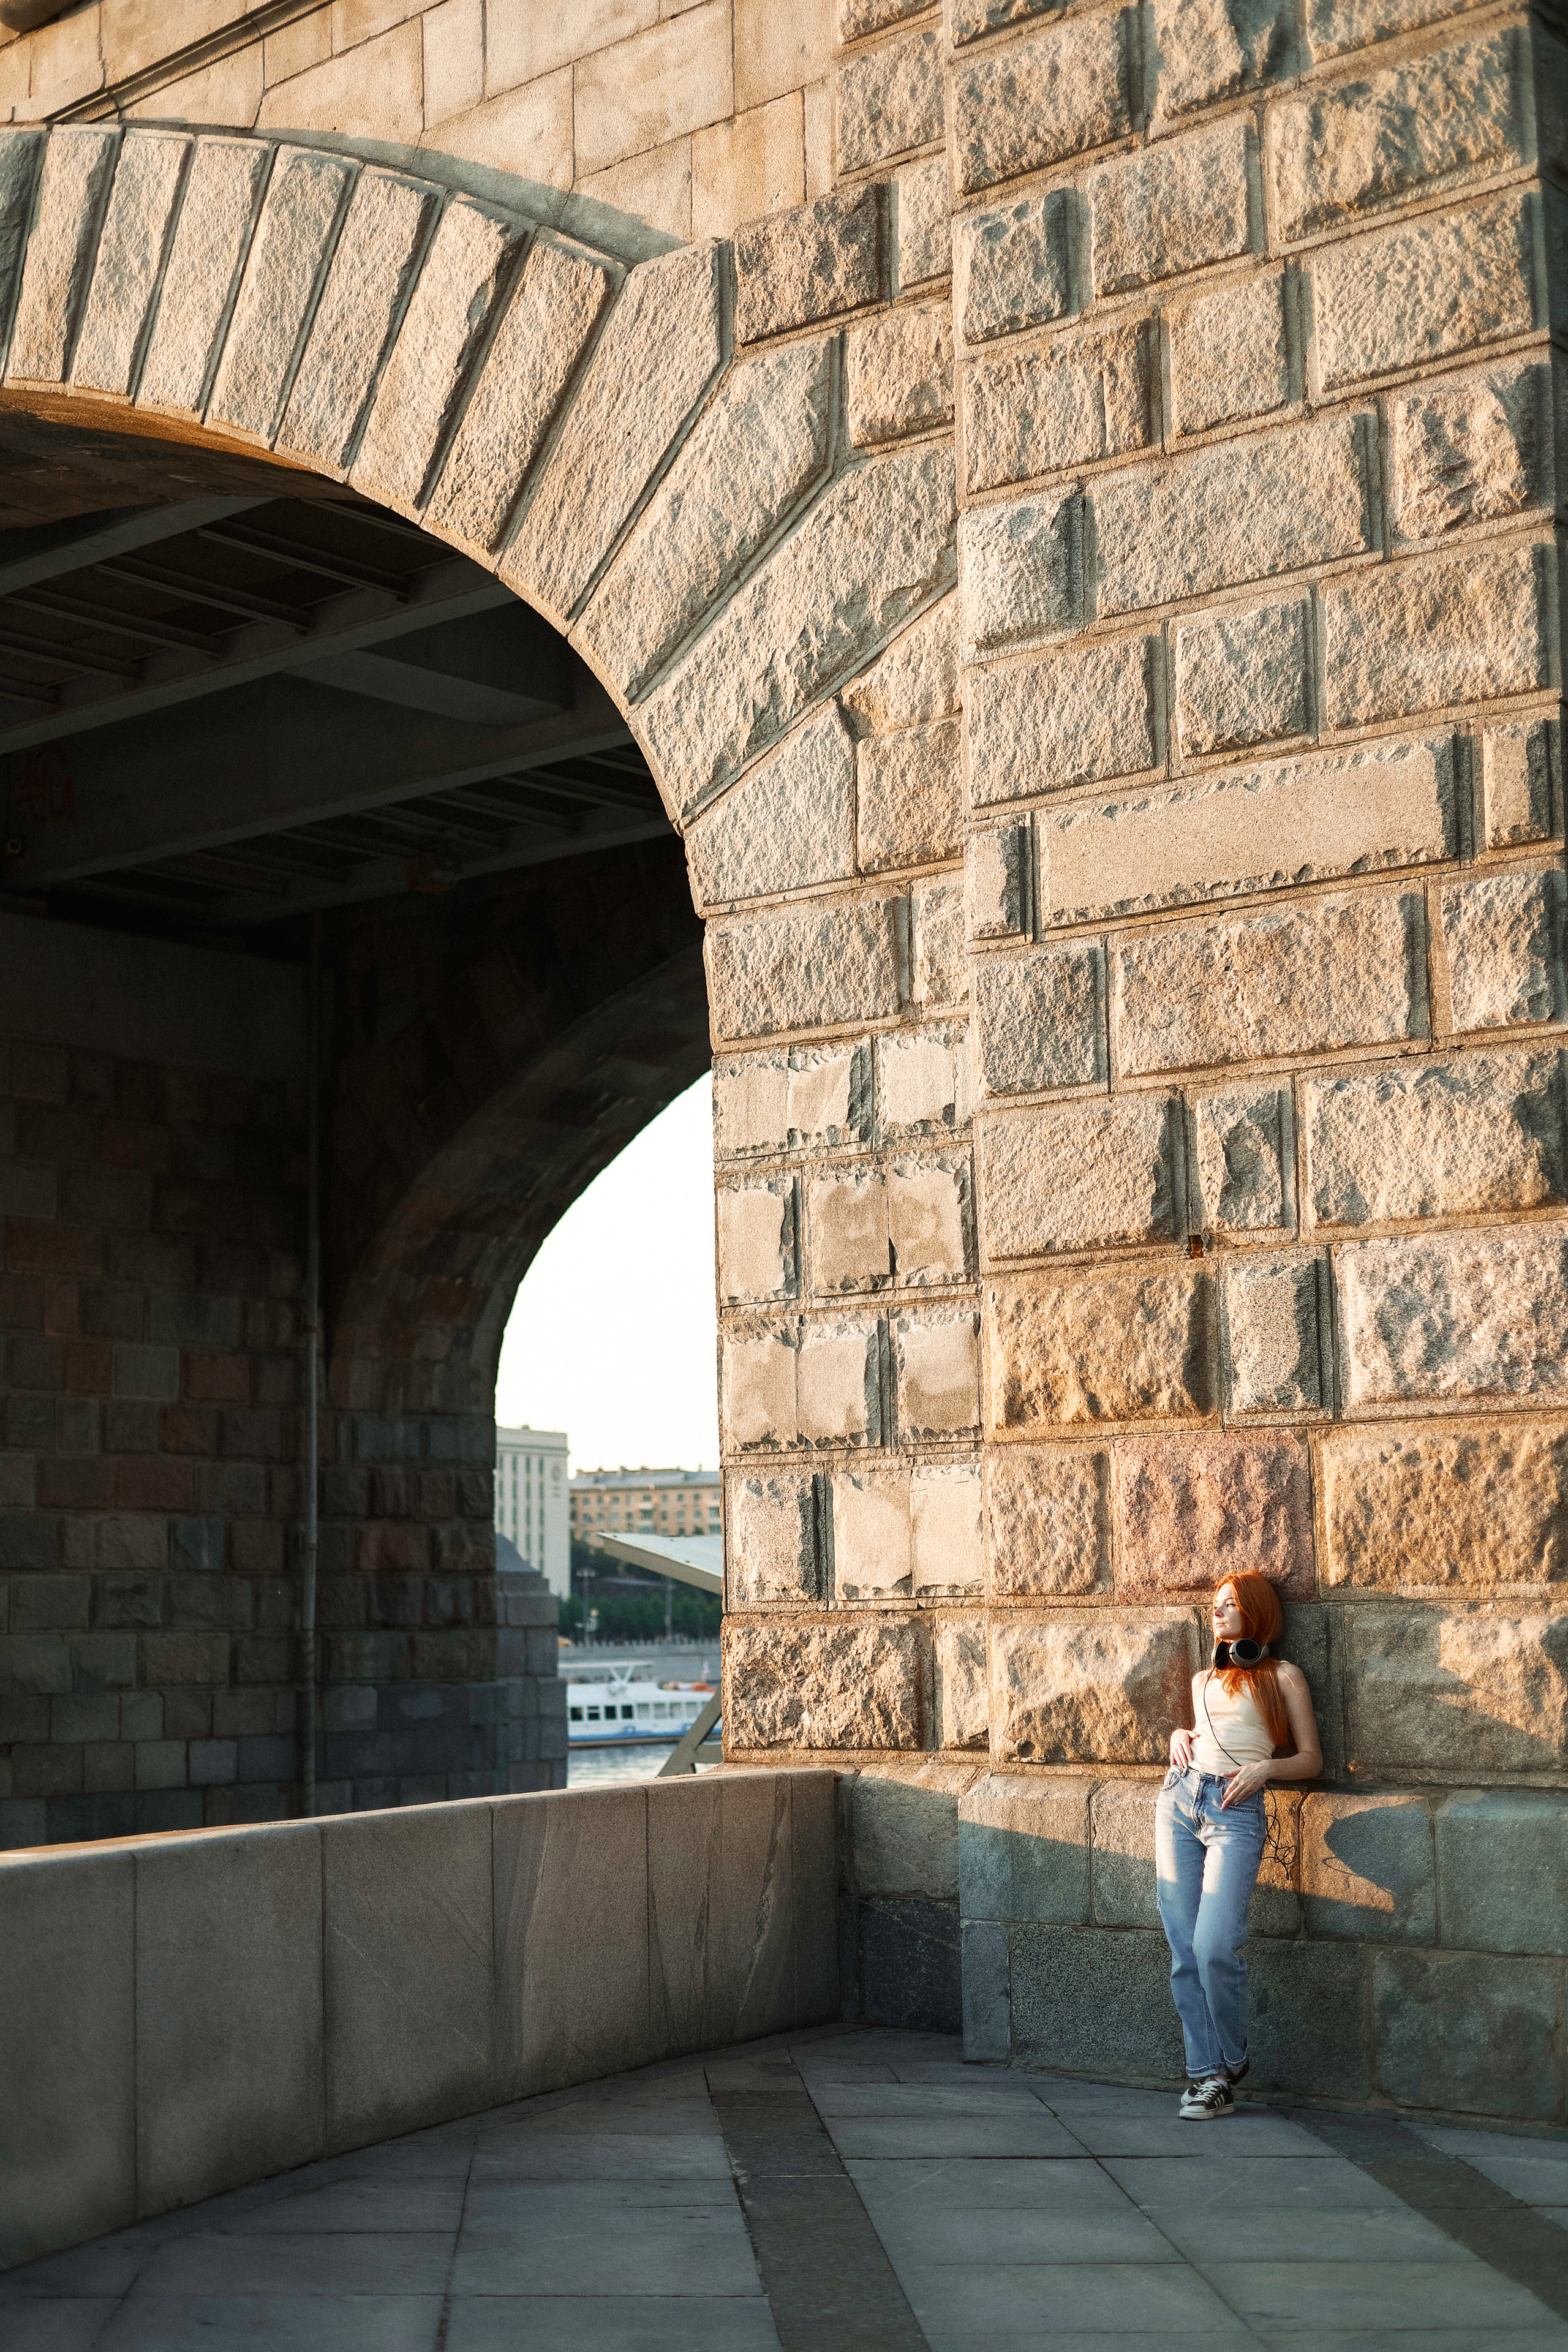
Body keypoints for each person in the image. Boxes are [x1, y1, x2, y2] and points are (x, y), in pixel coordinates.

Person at [1156, 1572, 1322, 2120]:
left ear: (1256, 1612)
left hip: (1235, 1812)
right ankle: (1209, 2078)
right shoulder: (1203, 1678)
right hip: (1179, 1801)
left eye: (1230, 1603)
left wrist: (1266, 1769)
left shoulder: (1284, 1677)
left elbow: (1311, 1759)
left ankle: (1231, 2061)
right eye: (1216, 1604)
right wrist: (1180, 1735)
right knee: (1184, 1949)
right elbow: (1204, 1733)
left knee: (1213, 1945)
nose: (1218, 1611)